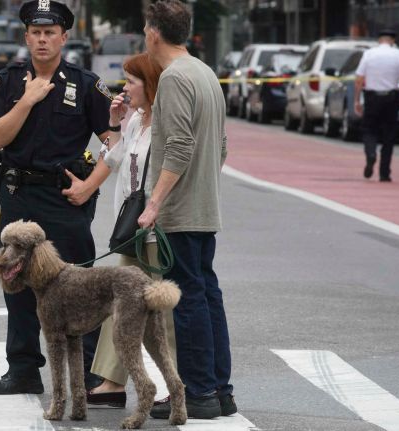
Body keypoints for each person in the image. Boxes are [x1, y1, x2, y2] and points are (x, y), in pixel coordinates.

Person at [0, 0, 113, 395]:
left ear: (63, 37)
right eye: (35, 32)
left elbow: (115, 143)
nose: (42, 39)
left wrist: (90, 186)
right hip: (19, 195)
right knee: (16, 280)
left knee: (81, 284)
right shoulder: (8, 81)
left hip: (65, 198)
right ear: (26, 37)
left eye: (49, 32)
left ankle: (88, 373)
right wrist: (27, 100)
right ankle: (23, 369)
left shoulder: (85, 85)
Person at [138, 0, 233, 420]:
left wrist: (154, 202)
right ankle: (219, 389)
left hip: (181, 209)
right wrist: (203, 186)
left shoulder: (175, 78)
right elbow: (221, 146)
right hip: (204, 205)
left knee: (188, 298)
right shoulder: (205, 73)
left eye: (146, 29)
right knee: (207, 294)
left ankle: (198, 393)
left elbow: (178, 146)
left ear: (154, 33)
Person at [65, 53, 171, 409]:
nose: (125, 88)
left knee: (162, 311)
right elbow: (112, 158)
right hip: (130, 227)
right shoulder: (137, 119)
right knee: (120, 303)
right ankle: (111, 383)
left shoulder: (165, 123)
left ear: (150, 85)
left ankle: (173, 384)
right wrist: (113, 124)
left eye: (132, 81)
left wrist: (156, 207)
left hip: (154, 227)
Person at [354, 29, 399, 182]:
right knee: (389, 135)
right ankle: (384, 172)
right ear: (393, 41)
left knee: (369, 129)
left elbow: (359, 79)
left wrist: (357, 100)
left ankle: (371, 153)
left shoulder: (369, 54)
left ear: (379, 40)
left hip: (372, 98)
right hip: (391, 99)